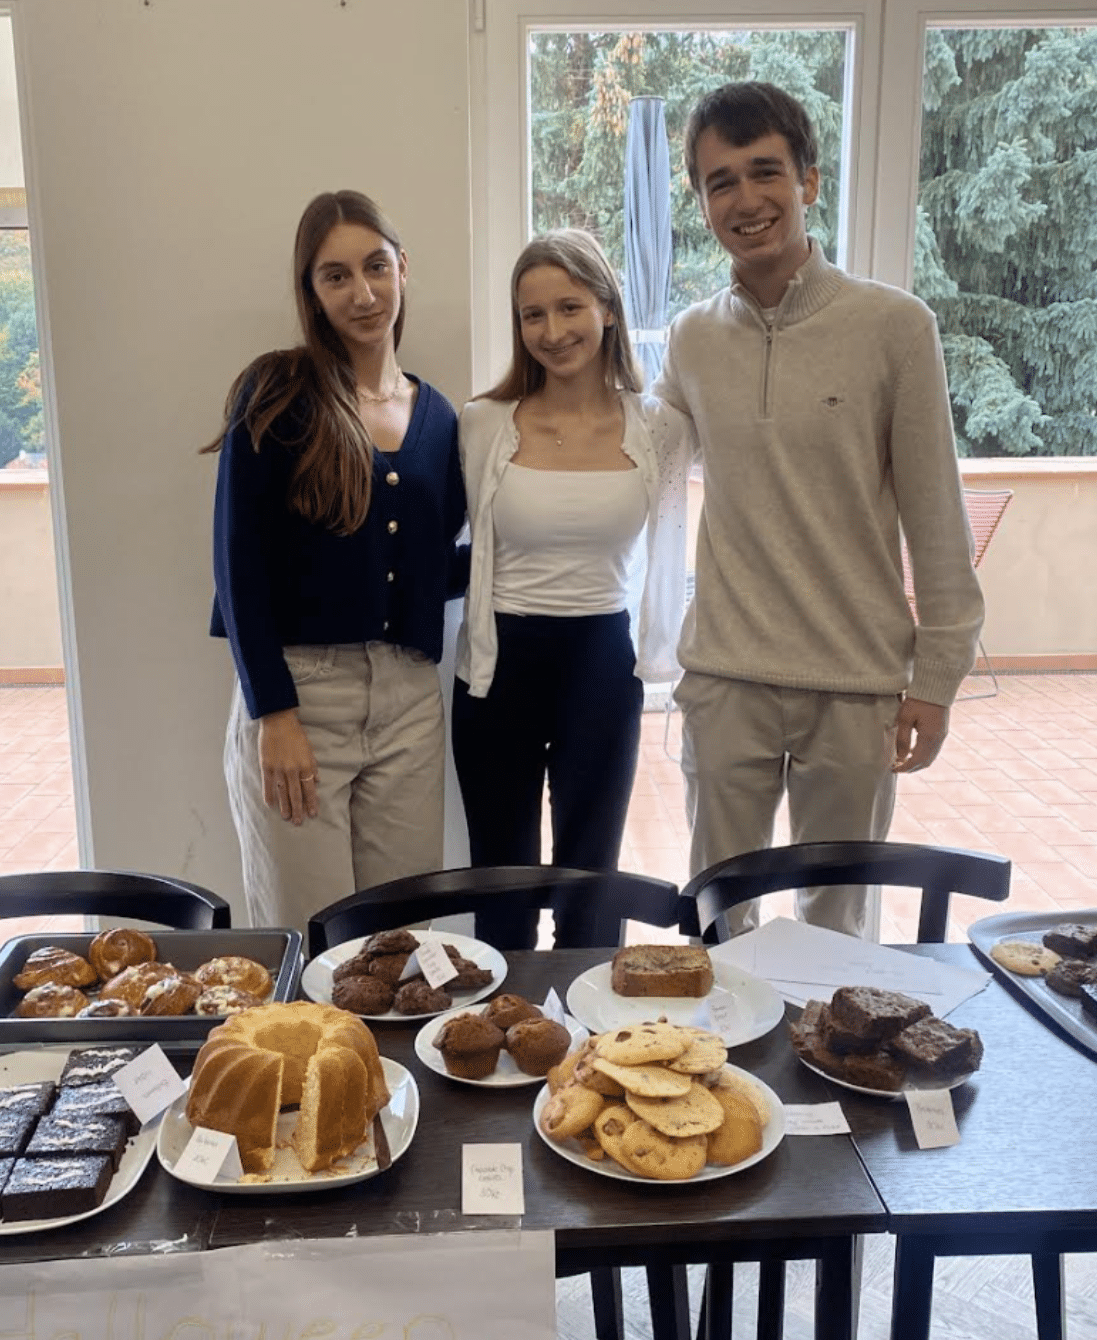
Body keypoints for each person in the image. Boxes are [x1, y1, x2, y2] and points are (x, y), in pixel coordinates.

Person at [654, 81, 985, 939]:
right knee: (717, 920)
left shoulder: (896, 327)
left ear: (808, 180)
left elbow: (936, 520)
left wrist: (938, 678)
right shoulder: (690, 339)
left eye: (765, 172)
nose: (745, 199)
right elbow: (632, 456)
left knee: (838, 931)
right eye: (719, 181)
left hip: (857, 682)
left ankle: (824, 1078)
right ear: (700, 201)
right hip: (726, 677)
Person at [205, 190, 466, 929]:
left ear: (403, 269)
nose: (363, 293)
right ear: (312, 294)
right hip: (300, 698)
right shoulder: (279, 393)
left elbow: (424, 564)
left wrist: (527, 569)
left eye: (376, 267)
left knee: (401, 946)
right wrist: (273, 712)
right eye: (336, 276)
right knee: (311, 935)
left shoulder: (441, 417)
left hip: (410, 703)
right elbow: (238, 562)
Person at [453, 229, 694, 950]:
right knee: (501, 880)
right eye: (533, 315)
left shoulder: (659, 427)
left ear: (608, 309)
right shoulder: (482, 423)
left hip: (601, 659)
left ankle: (586, 1034)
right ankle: (499, 1036)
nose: (552, 332)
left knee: (593, 879)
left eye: (569, 308)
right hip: (497, 666)